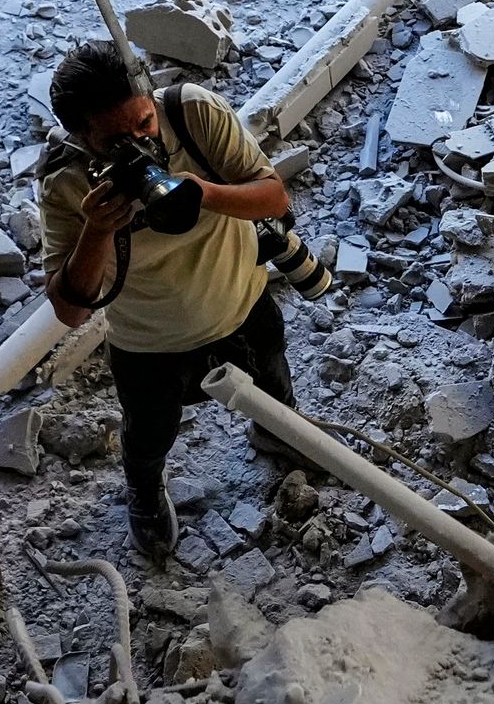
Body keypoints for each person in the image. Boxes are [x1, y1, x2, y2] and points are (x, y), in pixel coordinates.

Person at [36, 39, 298, 554]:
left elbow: (273, 195)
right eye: (115, 142)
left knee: (273, 383)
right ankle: (146, 491)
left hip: (242, 302)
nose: (139, 146)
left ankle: (281, 434)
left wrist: (203, 192)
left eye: (144, 125)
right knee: (149, 434)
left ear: (153, 101)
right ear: (83, 141)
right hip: (150, 343)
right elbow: (70, 309)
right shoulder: (65, 183)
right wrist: (97, 230)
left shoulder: (192, 112)